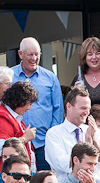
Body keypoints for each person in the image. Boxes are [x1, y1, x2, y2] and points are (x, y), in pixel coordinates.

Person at [12, 37, 65, 172]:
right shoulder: (9, 76)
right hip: (18, 141)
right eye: (30, 54)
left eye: (37, 54)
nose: (34, 58)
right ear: (20, 54)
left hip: (43, 144)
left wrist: (51, 137)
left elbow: (58, 110)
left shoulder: (50, 78)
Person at [44, 86, 100, 180]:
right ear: (69, 106)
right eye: (83, 108)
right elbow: (62, 165)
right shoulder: (54, 134)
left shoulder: (95, 131)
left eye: (88, 109)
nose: (86, 113)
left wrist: (94, 141)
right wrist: (87, 145)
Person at [0, 81, 38, 183]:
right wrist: (25, 138)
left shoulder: (10, 116)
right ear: (21, 102)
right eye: (29, 104)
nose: (29, 108)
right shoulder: (0, 117)